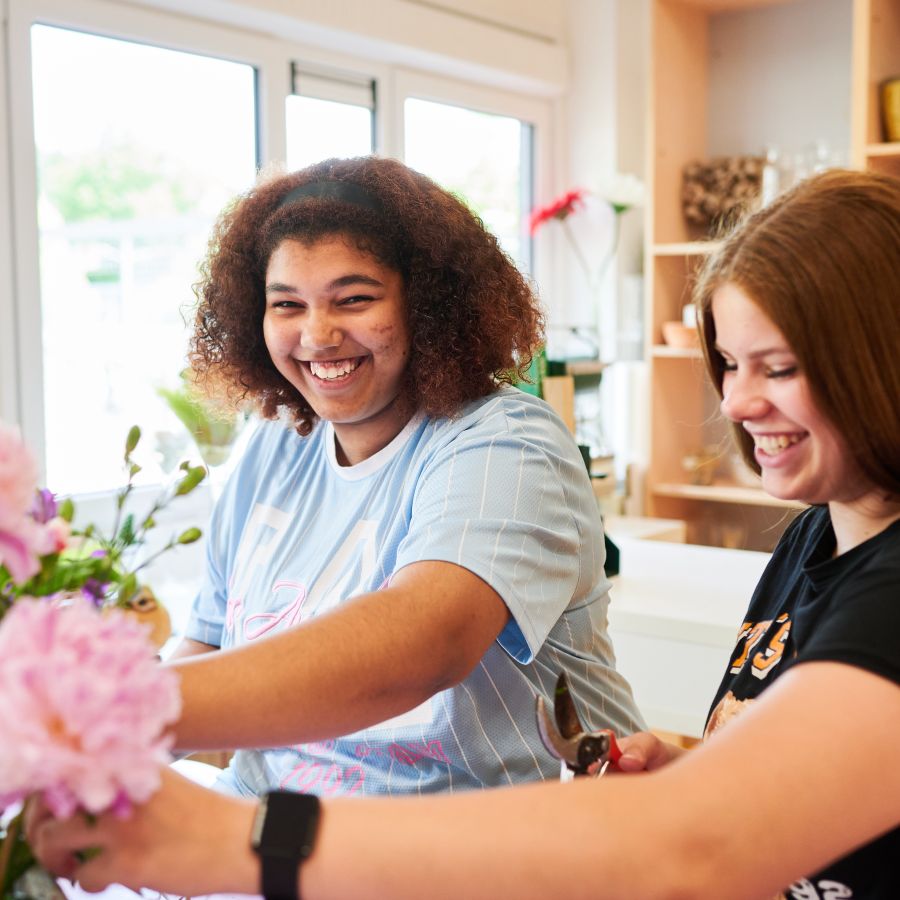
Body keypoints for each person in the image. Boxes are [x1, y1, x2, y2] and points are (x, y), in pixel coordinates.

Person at [30, 167, 900, 899]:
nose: (737, 404)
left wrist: (223, 825)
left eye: (778, 368)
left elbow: (694, 845)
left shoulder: (503, 443)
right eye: (732, 366)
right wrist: (688, 767)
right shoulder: (815, 538)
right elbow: (756, 787)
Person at [151, 155, 644, 798]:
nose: (318, 335)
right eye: (287, 305)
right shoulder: (272, 443)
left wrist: (125, 711)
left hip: (486, 851)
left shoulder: (505, 442)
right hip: (279, 835)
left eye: (353, 299)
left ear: (429, 305)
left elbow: (423, 645)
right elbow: (205, 646)